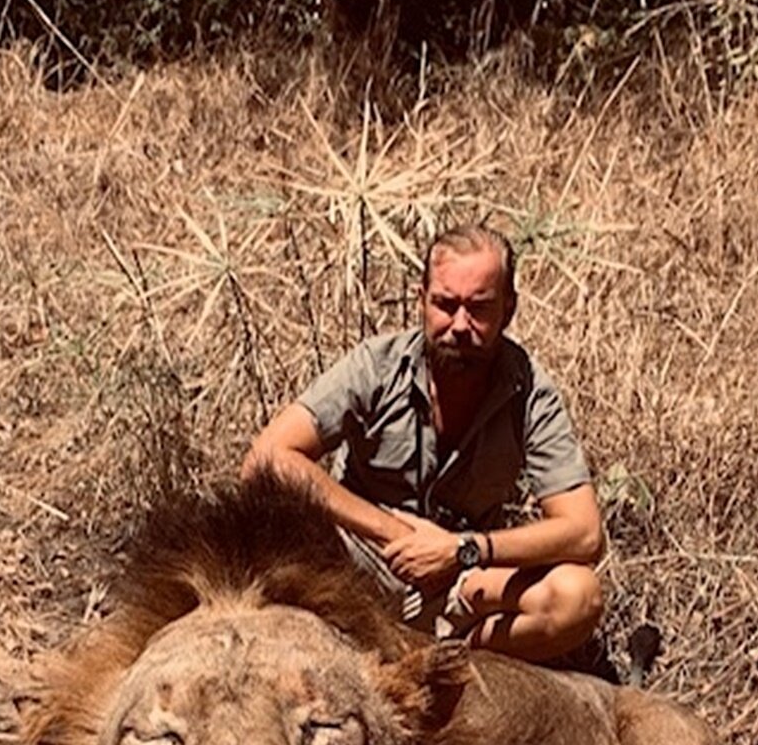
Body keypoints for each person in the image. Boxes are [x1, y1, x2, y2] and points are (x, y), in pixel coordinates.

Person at [242, 223, 604, 661]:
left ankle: (443, 659)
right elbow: (267, 458)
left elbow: (584, 533)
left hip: (460, 577)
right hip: (354, 561)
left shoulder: (529, 391)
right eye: (445, 305)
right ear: (421, 300)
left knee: (577, 597)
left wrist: (463, 549)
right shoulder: (376, 366)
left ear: (508, 310)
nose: (459, 325)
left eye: (479, 308)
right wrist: (392, 532)